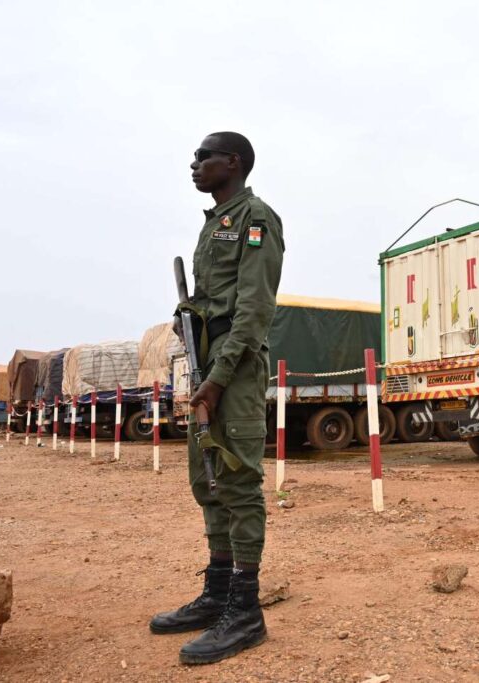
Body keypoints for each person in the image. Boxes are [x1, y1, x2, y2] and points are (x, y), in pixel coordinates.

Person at [149, 132, 284, 665]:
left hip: (235, 371)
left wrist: (220, 377)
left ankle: (245, 612)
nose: (194, 163)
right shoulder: (215, 223)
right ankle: (217, 594)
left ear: (234, 162)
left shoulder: (256, 218)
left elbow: (253, 310)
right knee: (206, 479)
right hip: (207, 367)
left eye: (205, 156)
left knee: (238, 481)